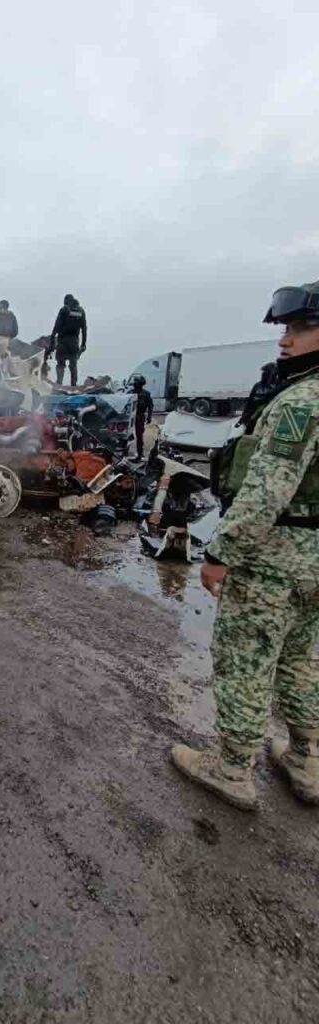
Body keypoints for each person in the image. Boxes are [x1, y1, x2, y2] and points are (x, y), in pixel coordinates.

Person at [171, 281, 319, 810]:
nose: (287, 340)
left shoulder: (300, 403)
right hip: (313, 562)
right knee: (302, 657)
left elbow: (264, 494)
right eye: (286, 328)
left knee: (246, 659)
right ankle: (307, 758)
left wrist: (220, 553)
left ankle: (232, 768)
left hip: (272, 559)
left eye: (302, 328)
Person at [46, 294, 87, 386]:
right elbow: (84, 328)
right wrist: (83, 344)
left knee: (60, 363)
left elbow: (56, 326)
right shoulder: (81, 311)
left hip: (63, 341)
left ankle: (59, 383)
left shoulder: (64, 310)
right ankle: (74, 384)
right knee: (73, 364)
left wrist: (52, 341)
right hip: (74, 342)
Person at [132, 375, 153, 459]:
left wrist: (149, 417)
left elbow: (150, 406)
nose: (135, 384)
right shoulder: (130, 393)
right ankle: (125, 452)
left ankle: (140, 453)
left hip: (140, 416)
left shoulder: (146, 394)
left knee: (139, 435)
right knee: (127, 435)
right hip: (131, 416)